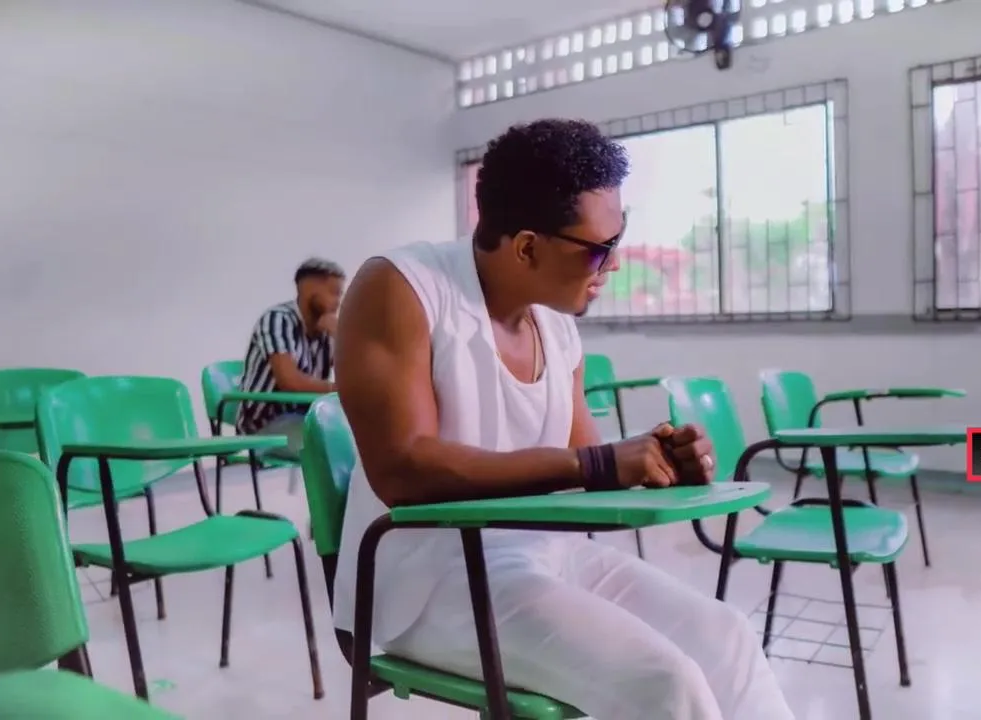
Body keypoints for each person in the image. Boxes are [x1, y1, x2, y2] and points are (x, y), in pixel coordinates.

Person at [332, 119, 794, 720]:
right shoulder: (403, 289)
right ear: (527, 247)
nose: (614, 265)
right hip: (428, 582)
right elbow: (402, 469)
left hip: (545, 556)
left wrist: (657, 464)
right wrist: (598, 464)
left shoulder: (555, 325)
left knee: (728, 638)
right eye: (600, 249)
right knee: (665, 683)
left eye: (619, 239)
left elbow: (586, 471)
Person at [236, 258, 344, 460]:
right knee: (334, 448)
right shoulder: (278, 319)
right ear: (309, 289)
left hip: (308, 417)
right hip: (266, 424)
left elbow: (351, 376)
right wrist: (340, 389)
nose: (338, 301)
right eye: (334, 292)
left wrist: (341, 337)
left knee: (362, 437)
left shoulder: (326, 328)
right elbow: (290, 381)